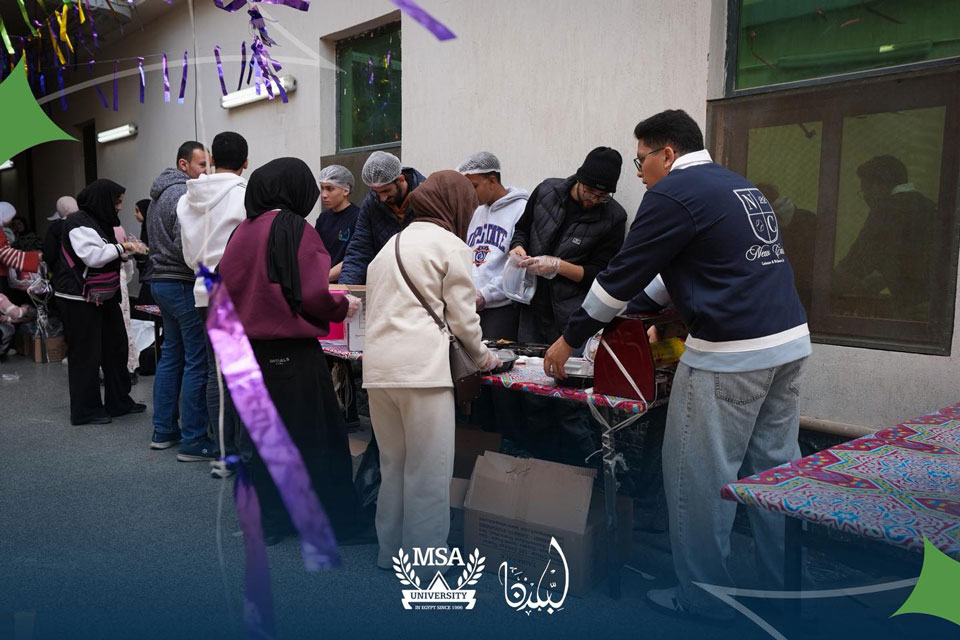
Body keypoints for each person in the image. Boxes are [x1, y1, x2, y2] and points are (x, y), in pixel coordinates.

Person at [544, 109, 811, 621]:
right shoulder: (736, 185)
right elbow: (686, 268)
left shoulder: (672, 193)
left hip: (729, 356)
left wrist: (570, 339)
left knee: (700, 478)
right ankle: (786, 587)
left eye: (641, 160)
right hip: (789, 345)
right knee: (776, 473)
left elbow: (621, 275)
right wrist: (643, 311)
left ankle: (704, 598)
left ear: (667, 154)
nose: (639, 173)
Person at [219, 157, 362, 544]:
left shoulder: (242, 230)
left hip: (246, 351)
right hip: (291, 353)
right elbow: (313, 294)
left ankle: (270, 522)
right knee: (315, 439)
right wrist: (341, 306)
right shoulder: (296, 229)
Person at [362, 170, 499, 568]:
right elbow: (463, 319)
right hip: (423, 371)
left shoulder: (388, 247)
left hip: (379, 370)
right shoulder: (451, 246)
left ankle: (390, 552)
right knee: (429, 472)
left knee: (394, 466)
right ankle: (425, 563)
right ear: (455, 205)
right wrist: (484, 357)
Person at [508, 147, 627, 465]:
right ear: (579, 179)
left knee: (571, 401)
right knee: (532, 393)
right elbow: (522, 229)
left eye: (603, 196)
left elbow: (602, 275)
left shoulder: (613, 217)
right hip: (532, 308)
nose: (594, 200)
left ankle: (580, 473)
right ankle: (538, 468)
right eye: (590, 192)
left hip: (571, 317)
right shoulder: (546, 191)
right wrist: (518, 249)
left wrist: (559, 266)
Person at [178, 131, 249, 478]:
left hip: (202, 291)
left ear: (213, 160)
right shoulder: (245, 195)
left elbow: (186, 253)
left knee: (214, 373)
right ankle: (242, 454)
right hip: (237, 293)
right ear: (246, 163)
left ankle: (223, 452)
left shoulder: (186, 198)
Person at [54, 180, 147, 425]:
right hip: (78, 298)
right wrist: (122, 247)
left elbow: (108, 252)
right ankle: (86, 410)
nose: (119, 207)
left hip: (103, 295)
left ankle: (119, 401)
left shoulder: (100, 221)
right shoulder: (78, 222)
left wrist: (126, 252)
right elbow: (93, 256)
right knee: (86, 355)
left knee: (116, 347)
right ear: (102, 200)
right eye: (117, 202)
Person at [146, 141, 217, 460]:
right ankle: (193, 439)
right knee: (196, 360)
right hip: (181, 283)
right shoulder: (182, 195)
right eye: (202, 165)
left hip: (160, 282)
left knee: (171, 356)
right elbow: (184, 245)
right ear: (183, 164)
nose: (207, 172)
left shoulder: (158, 195)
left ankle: (163, 431)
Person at [834, 155, 938, 320]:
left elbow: (856, 262)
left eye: (864, 189)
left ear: (878, 185)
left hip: (911, 312)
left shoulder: (885, 210)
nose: (865, 197)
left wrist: (829, 282)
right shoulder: (932, 208)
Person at [457, 152, 529, 341]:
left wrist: (486, 294)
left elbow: (518, 267)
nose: (470, 193)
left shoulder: (521, 209)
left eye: (474, 186)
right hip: (471, 306)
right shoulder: (476, 212)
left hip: (502, 309)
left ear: (492, 181)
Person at [338, 151, 426, 284]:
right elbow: (359, 251)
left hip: (421, 282)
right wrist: (346, 288)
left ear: (401, 179)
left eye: (386, 191)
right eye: (376, 192)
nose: (382, 198)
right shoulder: (371, 203)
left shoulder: (427, 197)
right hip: (386, 283)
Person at [314, 165, 360, 282]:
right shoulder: (323, 219)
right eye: (322, 188)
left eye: (330, 189)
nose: (324, 195)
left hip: (347, 282)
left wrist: (324, 278)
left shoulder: (358, 217)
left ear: (345, 190)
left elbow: (357, 256)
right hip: (323, 282)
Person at [133, 199, 155, 306]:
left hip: (152, 275)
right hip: (149, 274)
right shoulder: (145, 227)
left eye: (138, 211)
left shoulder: (152, 229)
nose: (135, 214)